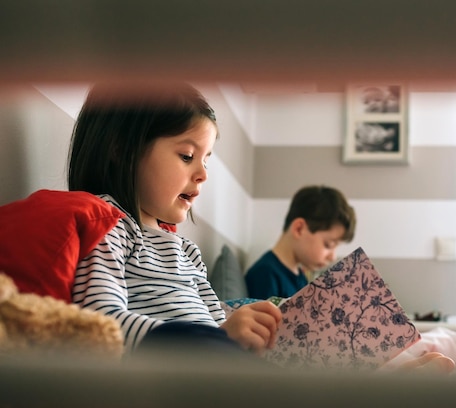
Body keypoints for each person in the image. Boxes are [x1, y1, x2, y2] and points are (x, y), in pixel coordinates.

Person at [68, 81, 281, 359]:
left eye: (206, 161)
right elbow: (101, 326)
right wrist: (217, 339)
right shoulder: (108, 227)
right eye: (187, 156)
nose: (203, 174)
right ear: (121, 150)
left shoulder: (188, 252)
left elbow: (218, 325)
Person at [245, 185, 357, 300]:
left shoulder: (300, 277)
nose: (333, 257)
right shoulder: (265, 274)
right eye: (328, 245)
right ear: (299, 229)